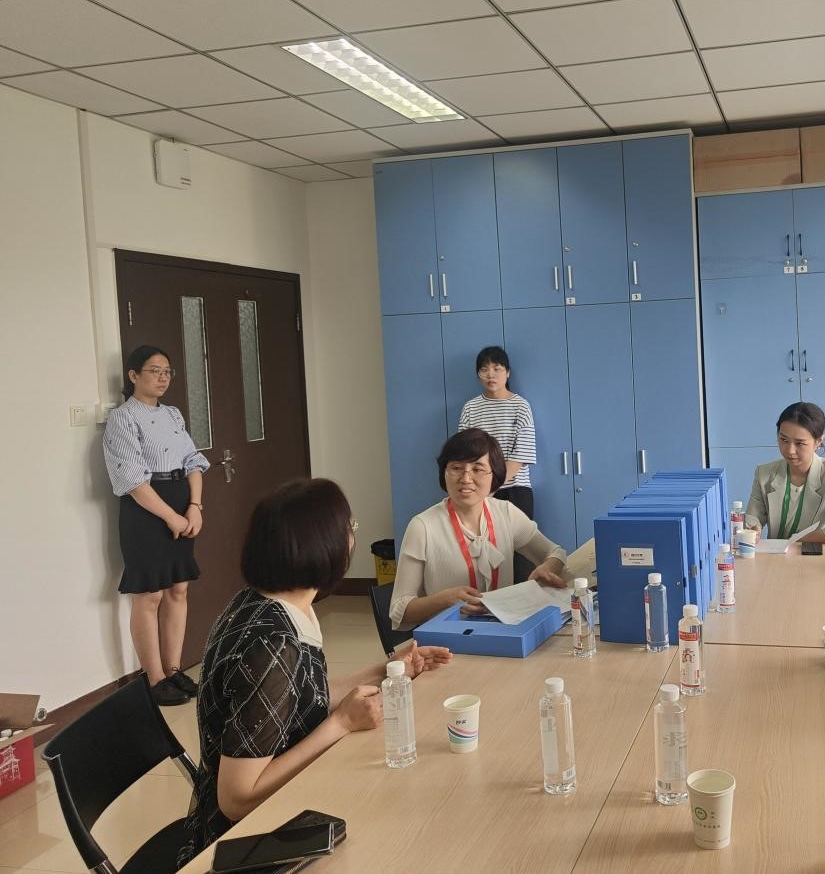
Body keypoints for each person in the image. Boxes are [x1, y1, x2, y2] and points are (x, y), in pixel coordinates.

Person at [178, 478, 452, 864]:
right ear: (321, 546)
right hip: (249, 841)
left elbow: (301, 695)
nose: (352, 537)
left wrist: (389, 670)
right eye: (349, 528)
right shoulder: (271, 646)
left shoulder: (270, 601)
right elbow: (237, 800)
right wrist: (341, 724)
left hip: (288, 799)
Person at [103, 345, 210, 706]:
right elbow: (133, 479)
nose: (162, 378)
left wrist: (194, 506)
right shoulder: (122, 418)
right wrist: (170, 516)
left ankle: (174, 669)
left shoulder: (173, 414)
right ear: (133, 375)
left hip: (182, 502)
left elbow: (193, 460)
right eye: (154, 371)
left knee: (178, 589)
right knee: (150, 595)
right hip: (146, 510)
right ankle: (154, 679)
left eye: (167, 372)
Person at [390, 428, 569, 630]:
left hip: (505, 631)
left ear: (494, 475)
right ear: (444, 473)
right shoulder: (422, 527)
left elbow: (556, 552)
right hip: (448, 639)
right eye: (456, 468)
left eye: (478, 469)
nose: (466, 478)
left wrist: (547, 568)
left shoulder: (506, 513)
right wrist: (444, 599)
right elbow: (399, 611)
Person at [744, 402, 825, 544]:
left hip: (812, 554)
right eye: (784, 440)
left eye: (800, 443)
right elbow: (752, 519)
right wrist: (754, 529)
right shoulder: (764, 473)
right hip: (775, 556)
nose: (790, 450)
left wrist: (793, 541)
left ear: (818, 441)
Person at [458, 346, 537, 519]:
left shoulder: (521, 406)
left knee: (520, 537)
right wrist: (481, 489)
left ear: (508, 372)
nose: (490, 375)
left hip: (515, 490)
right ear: (478, 374)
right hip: (479, 490)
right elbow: (464, 454)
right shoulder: (470, 408)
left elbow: (521, 456)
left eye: (497, 369)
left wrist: (491, 487)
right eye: (484, 369)